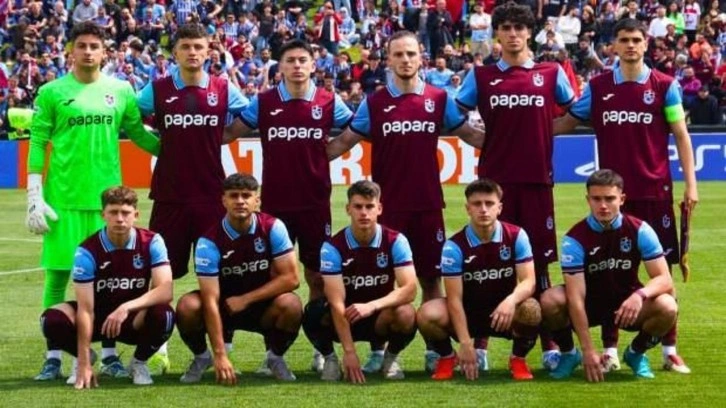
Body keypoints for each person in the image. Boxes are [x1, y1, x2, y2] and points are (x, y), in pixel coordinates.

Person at [325, 30, 484, 373]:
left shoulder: (439, 98)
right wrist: (303, 160)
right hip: (387, 207)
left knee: (430, 279)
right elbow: (345, 141)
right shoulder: (374, 103)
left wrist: (511, 144)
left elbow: (468, 134)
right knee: (383, 279)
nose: (406, 60)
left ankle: (435, 349)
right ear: (389, 59)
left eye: (411, 53)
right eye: (398, 54)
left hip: (427, 204)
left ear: (420, 57)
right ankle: (379, 351)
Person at [554, 18, 698, 374]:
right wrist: (520, 129)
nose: (630, 45)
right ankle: (611, 350)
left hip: (654, 191)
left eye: (636, 39)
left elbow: (681, 134)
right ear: (614, 46)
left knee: (662, 272)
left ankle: (669, 350)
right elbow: (566, 122)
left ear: (646, 44)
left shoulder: (665, 86)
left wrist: (691, 185)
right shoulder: (598, 87)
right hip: (612, 194)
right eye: (624, 39)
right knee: (610, 272)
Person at [28, 21, 161, 381]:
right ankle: (53, 356)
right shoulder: (52, 91)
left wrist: (180, 151)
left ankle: (110, 354)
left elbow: (138, 135)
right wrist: (34, 191)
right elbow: (38, 141)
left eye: (94, 46)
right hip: (64, 200)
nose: (88, 51)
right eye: (82, 45)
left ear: (105, 52)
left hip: (108, 203)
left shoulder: (120, 90)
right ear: (70, 50)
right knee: (58, 276)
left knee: (110, 280)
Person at [455, 2, 576, 372]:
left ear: (529, 33)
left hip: (537, 182)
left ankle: (549, 345)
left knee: (538, 264)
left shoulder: (551, 72)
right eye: (505, 28)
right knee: (489, 263)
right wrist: (486, 141)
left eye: (519, 28)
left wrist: (542, 134)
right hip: (494, 187)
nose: (512, 34)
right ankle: (480, 344)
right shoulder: (481, 76)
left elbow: (573, 114)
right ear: (496, 33)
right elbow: (453, 117)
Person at [224, 39, 353, 373]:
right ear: (279, 67)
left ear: (313, 65)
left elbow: (355, 130)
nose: (297, 66)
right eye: (291, 60)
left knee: (317, 276)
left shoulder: (328, 100)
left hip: (314, 203)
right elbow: (231, 132)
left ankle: (321, 347)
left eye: (303, 60)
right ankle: (273, 353)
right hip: (275, 204)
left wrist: (324, 155)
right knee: (273, 275)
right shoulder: (264, 101)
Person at [137, 23, 249, 373]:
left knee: (219, 273)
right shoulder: (156, 89)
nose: (192, 52)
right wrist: (157, 145)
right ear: (175, 52)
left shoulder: (223, 88)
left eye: (198, 47)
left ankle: (222, 344)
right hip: (169, 196)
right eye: (185, 47)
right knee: (161, 273)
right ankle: (157, 345)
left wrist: (222, 136)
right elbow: (129, 119)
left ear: (208, 51)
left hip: (211, 196)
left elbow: (248, 117)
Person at [540, 169, 678, 381]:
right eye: (596, 199)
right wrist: (588, 350)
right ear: (588, 200)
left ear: (622, 199)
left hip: (626, 305)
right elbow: (576, 298)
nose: (603, 205)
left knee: (668, 305)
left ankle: (635, 353)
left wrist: (639, 295)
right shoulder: (574, 239)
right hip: (590, 306)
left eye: (610, 199)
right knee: (550, 300)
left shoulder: (640, 230)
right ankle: (569, 354)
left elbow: (665, 279)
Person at [39, 186, 174, 388]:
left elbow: (166, 290)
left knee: (165, 314)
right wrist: (83, 361)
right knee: (50, 320)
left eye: (125, 213)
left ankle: (138, 363)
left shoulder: (152, 242)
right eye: (113, 212)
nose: (119, 219)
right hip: (97, 318)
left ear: (136, 215)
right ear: (103, 215)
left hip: (132, 319)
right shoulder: (87, 251)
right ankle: (86, 356)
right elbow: (85, 309)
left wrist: (125, 307)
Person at [175, 173, 302, 384]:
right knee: (188, 306)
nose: (240, 201)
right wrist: (220, 354)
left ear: (257, 200)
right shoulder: (208, 241)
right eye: (234, 196)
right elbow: (210, 300)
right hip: (224, 308)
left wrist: (246, 299)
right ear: (224, 200)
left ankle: (274, 358)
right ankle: (202, 357)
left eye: (246, 195)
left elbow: (291, 279)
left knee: (292, 304)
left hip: (263, 307)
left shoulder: (273, 227)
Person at [417, 178, 541, 381]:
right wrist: (466, 344)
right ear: (468, 208)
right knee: (426, 314)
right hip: (468, 314)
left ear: (499, 208)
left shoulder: (516, 236)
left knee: (531, 308)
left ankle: (518, 359)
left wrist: (510, 301)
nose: (483, 209)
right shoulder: (454, 247)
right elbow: (454, 299)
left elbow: (529, 281)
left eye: (489, 203)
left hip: (502, 313)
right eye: (477, 204)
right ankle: (448, 357)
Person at [302, 180, 418, 383]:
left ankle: (390, 358)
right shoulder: (333, 247)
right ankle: (330, 358)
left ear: (379, 208)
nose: (364, 213)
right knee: (313, 312)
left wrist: (372, 306)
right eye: (358, 207)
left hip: (378, 316)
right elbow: (336, 301)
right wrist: (349, 352)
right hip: (345, 317)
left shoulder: (396, 241)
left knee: (406, 313)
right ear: (348, 209)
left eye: (369, 206)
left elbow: (410, 289)